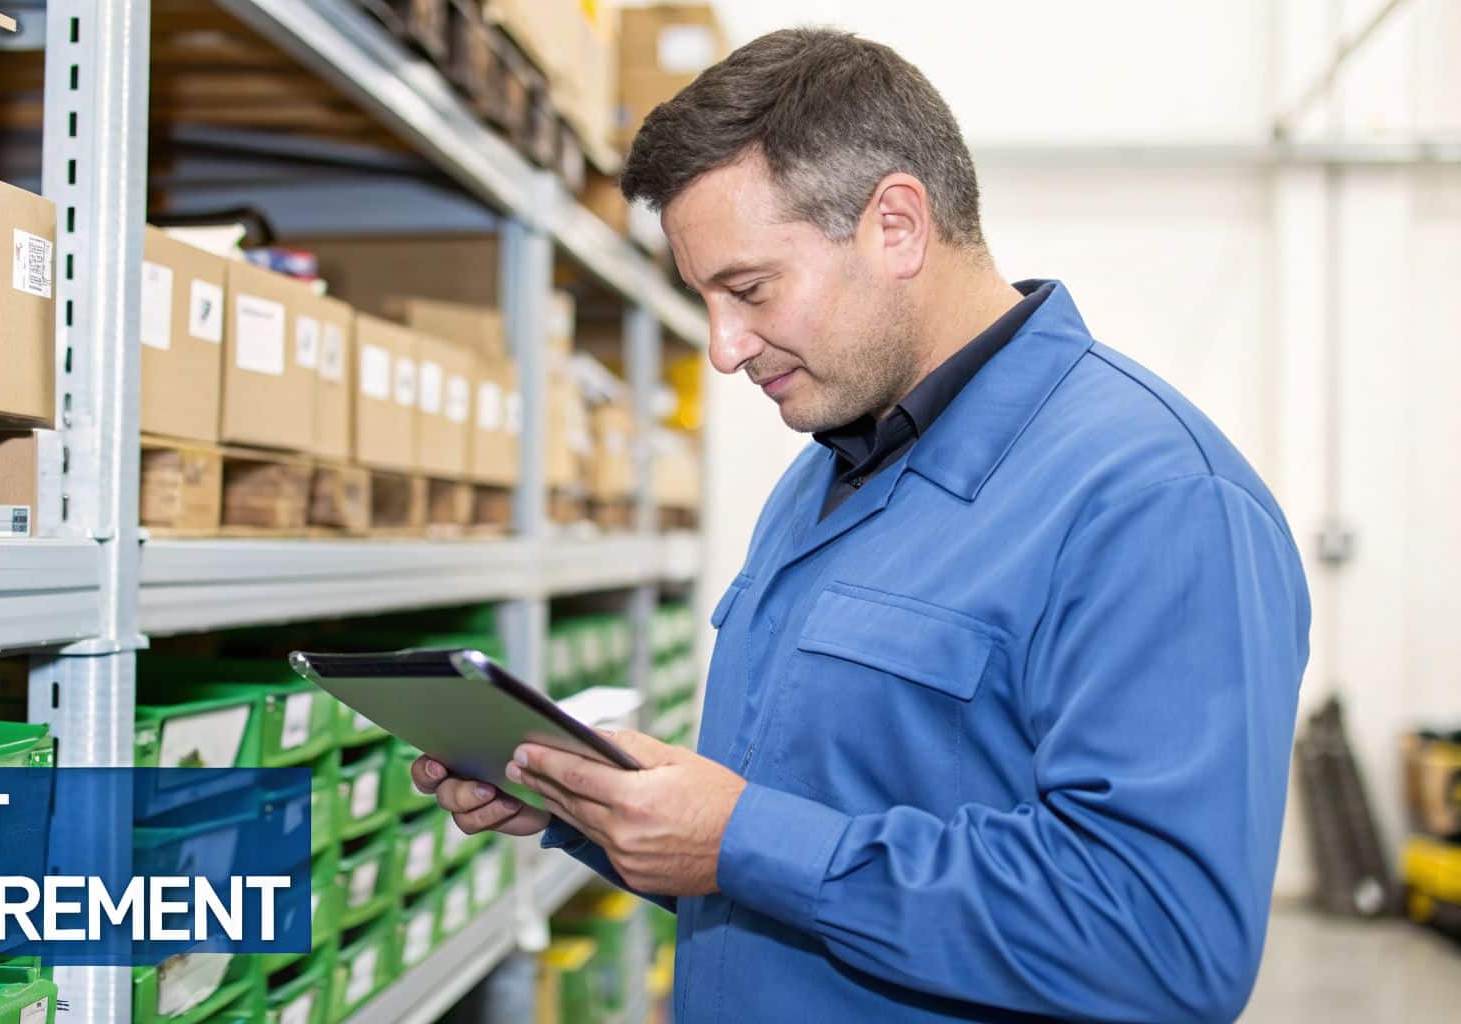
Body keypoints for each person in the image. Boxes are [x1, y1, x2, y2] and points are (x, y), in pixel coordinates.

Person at [412, 27, 1310, 1023]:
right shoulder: (822, 475)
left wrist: (741, 838)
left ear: (894, 225)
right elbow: (798, 837)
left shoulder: (1153, 499)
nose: (721, 348)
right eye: (702, 300)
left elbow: (1162, 943)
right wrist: (592, 808)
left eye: (748, 290)